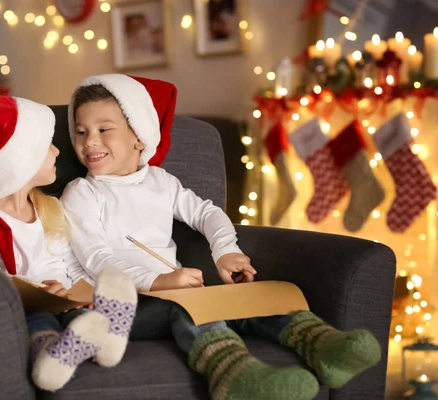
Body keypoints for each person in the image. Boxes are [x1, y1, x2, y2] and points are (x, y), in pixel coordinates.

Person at [60, 74, 381, 400]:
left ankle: (321, 345)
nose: (89, 142)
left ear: (139, 138)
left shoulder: (160, 181)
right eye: (81, 132)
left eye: (104, 129)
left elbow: (207, 213)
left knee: (245, 299)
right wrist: (161, 281)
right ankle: (234, 374)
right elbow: (97, 258)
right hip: (117, 309)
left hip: (173, 291)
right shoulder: (83, 193)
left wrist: (226, 251)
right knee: (187, 308)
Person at [0, 94, 137, 392]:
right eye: (44, 147)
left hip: (68, 302)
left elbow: (71, 264)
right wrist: (38, 294)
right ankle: (51, 357)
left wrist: (81, 291)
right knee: (39, 324)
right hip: (28, 309)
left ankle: (100, 335)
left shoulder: (49, 208)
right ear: (16, 165)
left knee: (84, 316)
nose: (56, 150)